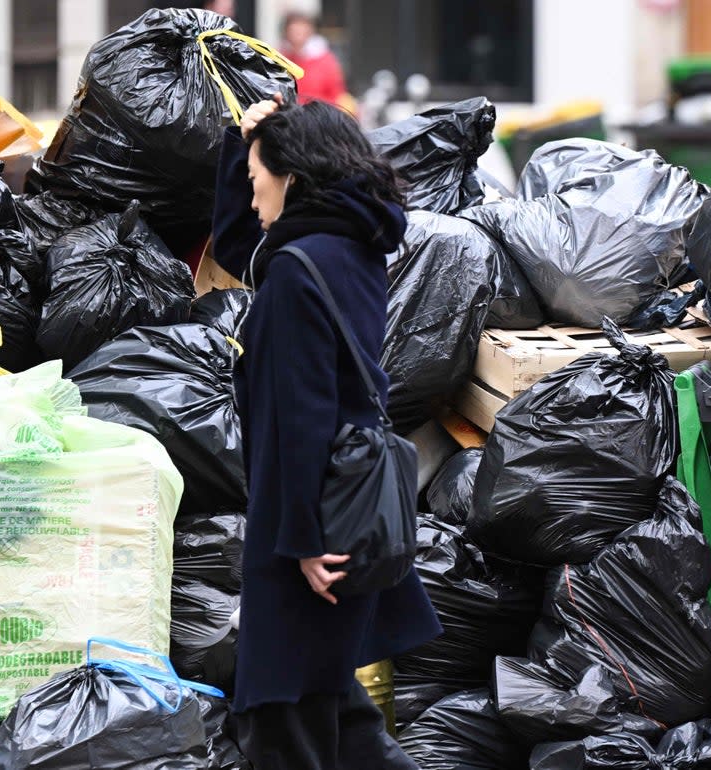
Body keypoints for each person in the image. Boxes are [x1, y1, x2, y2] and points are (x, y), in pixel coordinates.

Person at [210, 92, 441, 769]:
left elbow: (302, 414)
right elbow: (241, 245)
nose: (254, 203)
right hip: (351, 499)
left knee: (281, 711)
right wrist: (240, 149)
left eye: (257, 184)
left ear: (293, 178)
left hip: (310, 520)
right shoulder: (348, 245)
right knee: (328, 703)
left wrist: (304, 543)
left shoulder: (295, 273)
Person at [280, 12, 352, 108]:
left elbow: (337, 94)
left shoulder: (325, 60)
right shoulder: (280, 58)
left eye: (301, 30)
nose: (297, 34)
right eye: (294, 30)